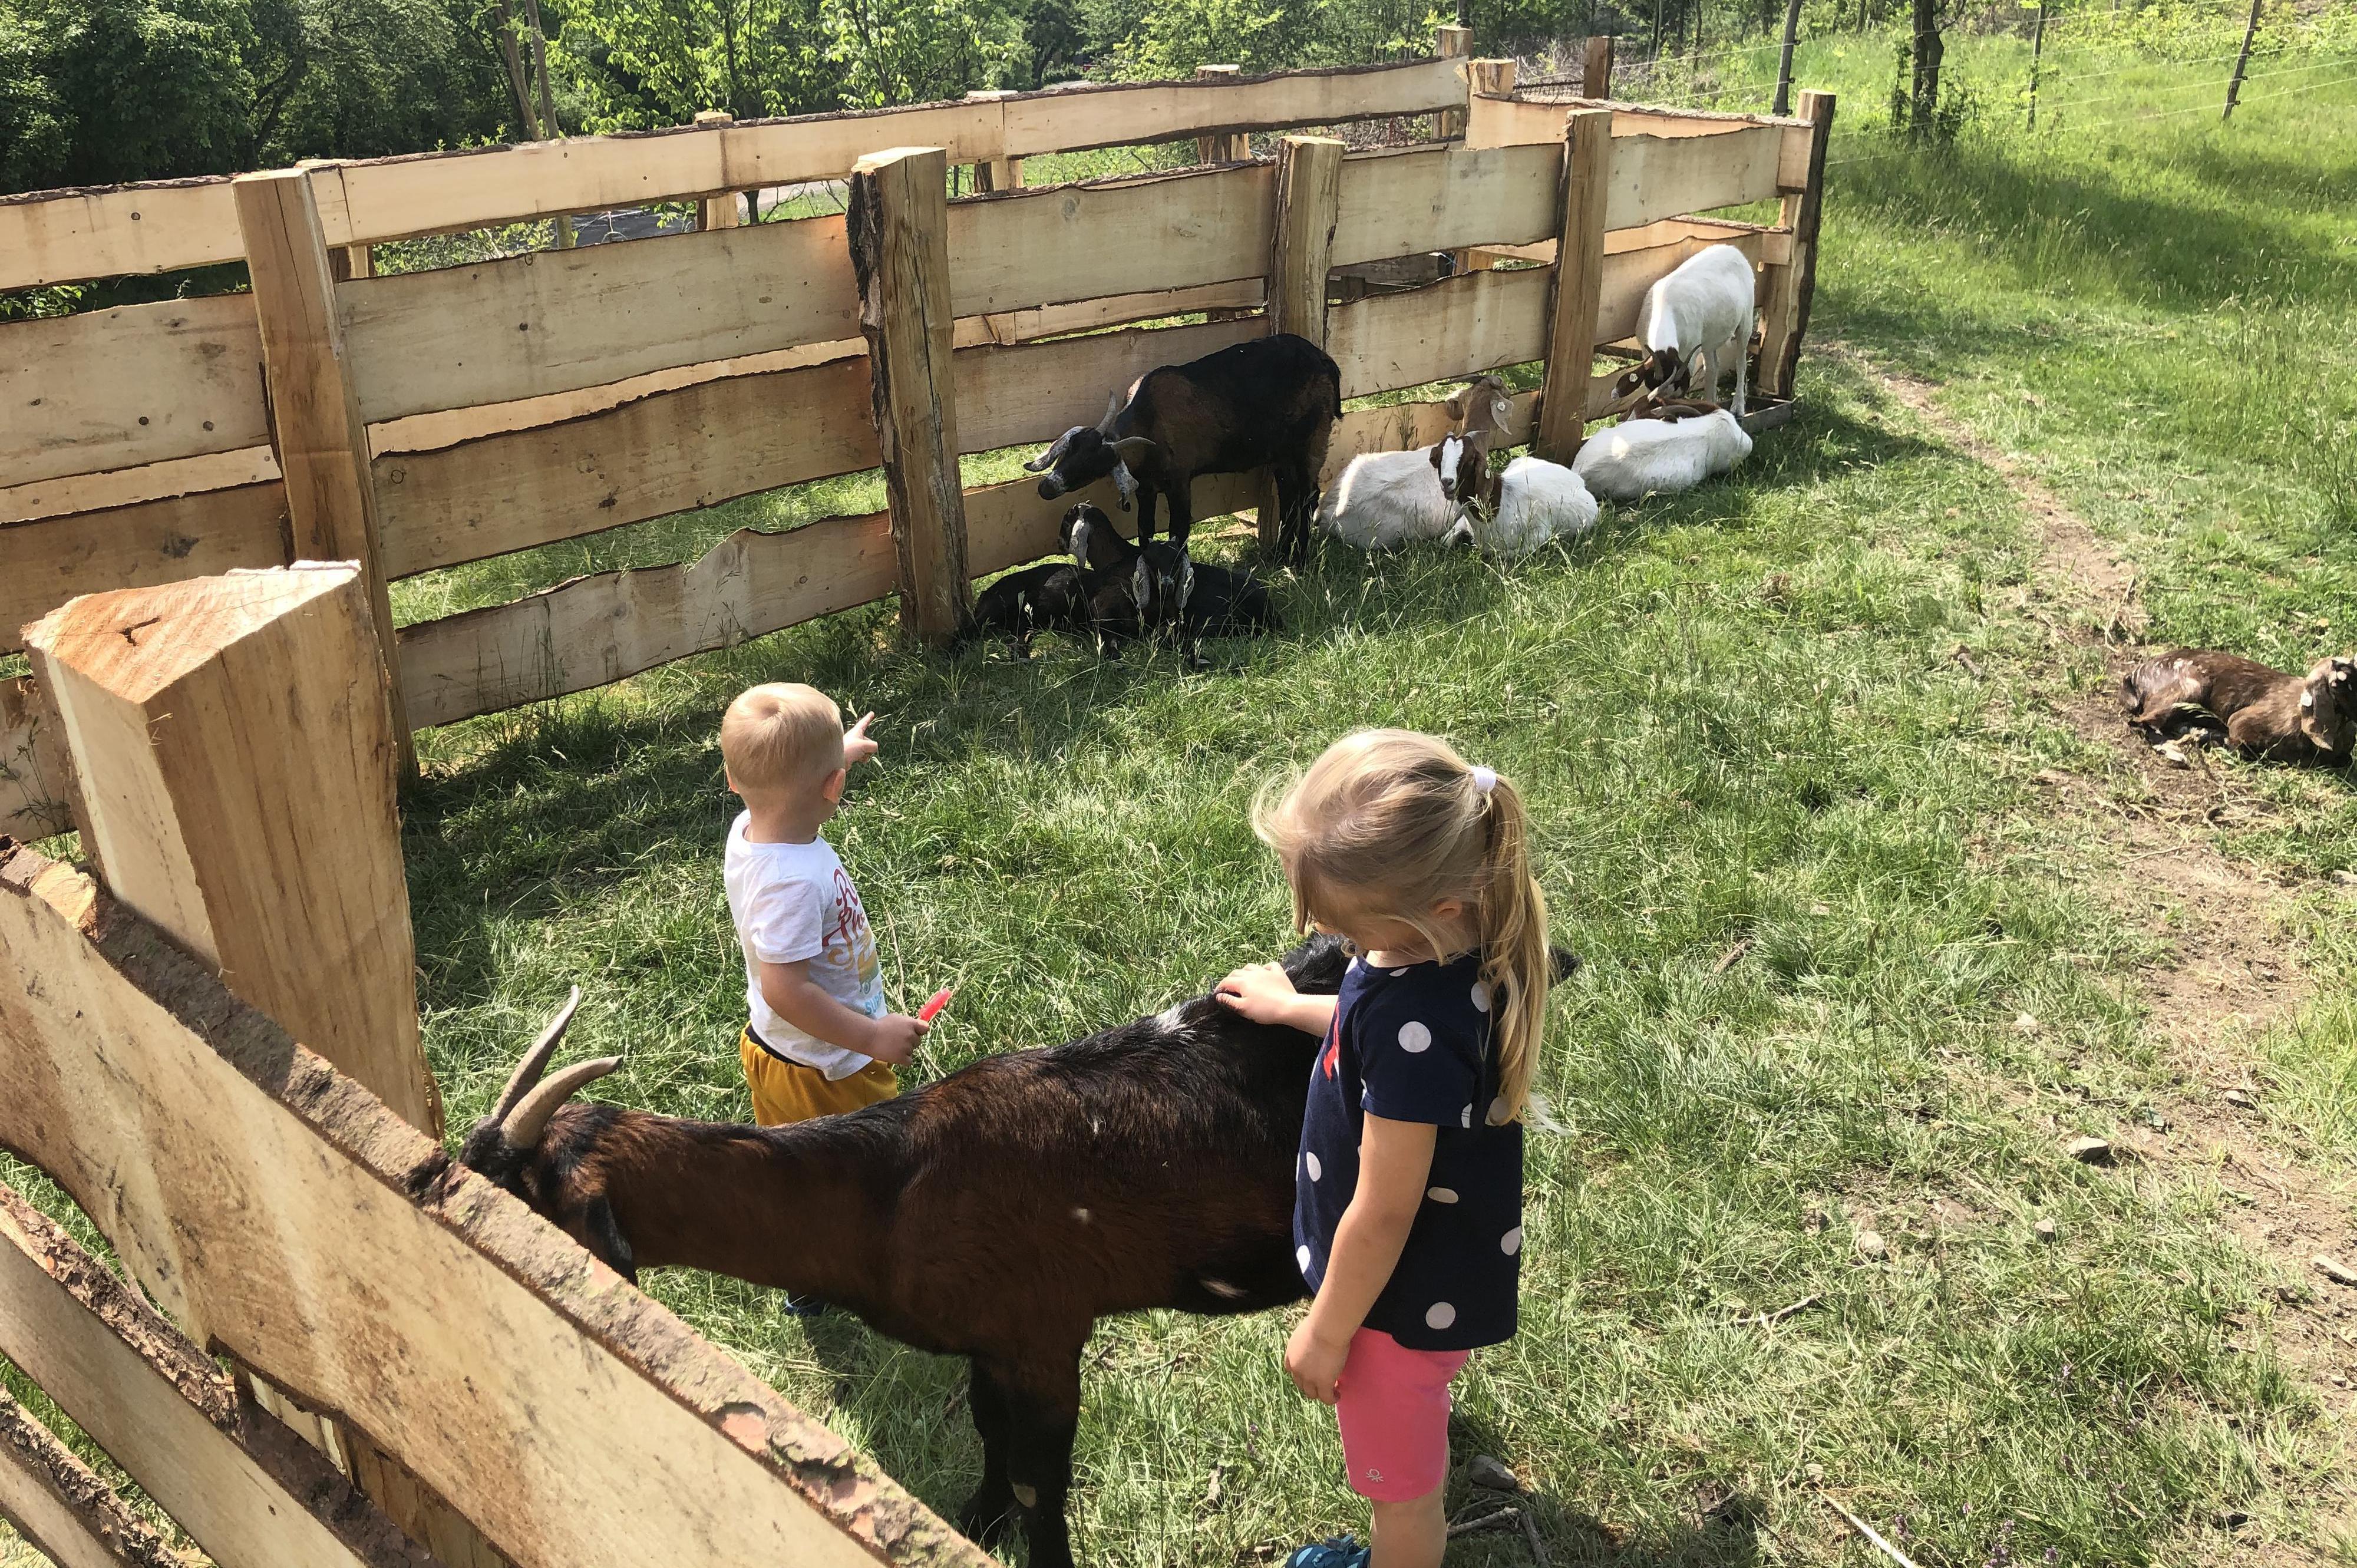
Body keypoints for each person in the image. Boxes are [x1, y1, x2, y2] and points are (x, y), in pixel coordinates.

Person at [1217, 730, 1551, 1568]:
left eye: (1336, 924)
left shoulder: (1416, 1016)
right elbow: (1378, 1028)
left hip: (1391, 1307)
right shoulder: (1448, 955)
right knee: (1409, 1438)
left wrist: (1330, 1332)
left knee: (1402, 1497)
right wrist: (1296, 1006)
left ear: (1431, 910)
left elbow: (1384, 1208)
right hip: (1433, 1277)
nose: (1328, 936)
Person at [719, 682, 930, 1131]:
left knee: (793, 1169)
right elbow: (785, 989)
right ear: (834, 787)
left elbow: (785, 775)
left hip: (776, 1048)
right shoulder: (792, 884)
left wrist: (839, 754)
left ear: (732, 779)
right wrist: (872, 1036)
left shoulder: (748, 827)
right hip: (826, 1067)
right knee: (867, 1164)